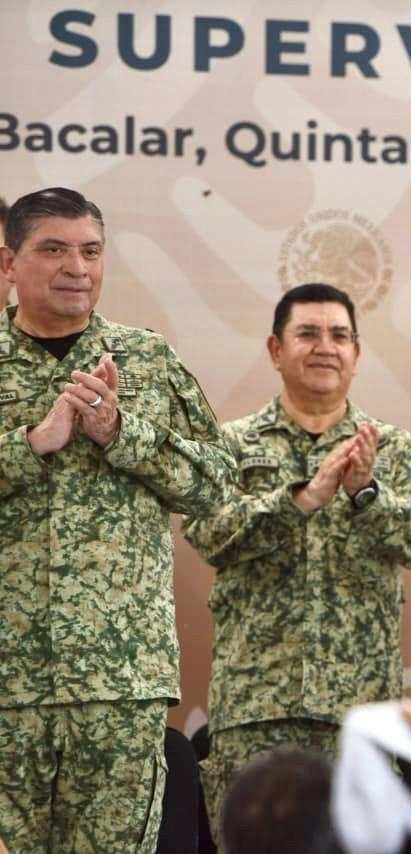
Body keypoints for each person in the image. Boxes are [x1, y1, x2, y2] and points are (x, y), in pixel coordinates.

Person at [0, 187, 234, 850]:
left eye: (92, 251)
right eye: (54, 249)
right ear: (8, 263)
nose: (78, 266)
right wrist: (29, 444)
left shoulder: (147, 359)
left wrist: (119, 432)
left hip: (119, 679)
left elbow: (216, 482)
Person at [182, 283, 411, 838]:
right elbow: (208, 532)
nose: (325, 346)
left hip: (361, 715)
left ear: (357, 353)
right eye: (307, 333)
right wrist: (301, 499)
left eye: (339, 335)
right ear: (275, 350)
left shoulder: (392, 448)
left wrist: (365, 493)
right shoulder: (231, 445)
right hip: (256, 707)